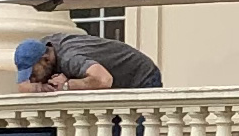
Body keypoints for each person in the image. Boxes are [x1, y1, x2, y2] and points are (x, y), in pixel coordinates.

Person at [13, 29, 162, 91]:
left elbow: (104, 80)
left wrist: (66, 85)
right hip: (118, 84)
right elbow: (23, 87)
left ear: (45, 60)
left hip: (141, 78)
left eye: (33, 74)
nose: (32, 79)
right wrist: (42, 87)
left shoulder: (70, 58)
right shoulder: (44, 47)